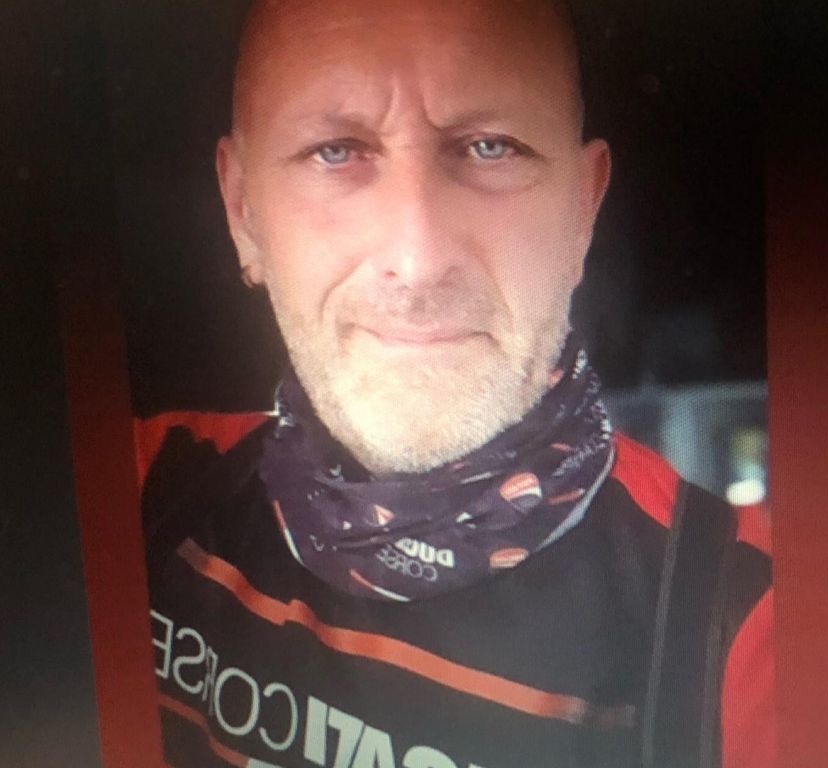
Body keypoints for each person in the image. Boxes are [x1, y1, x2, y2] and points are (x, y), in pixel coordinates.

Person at [137, 1, 774, 766]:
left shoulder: (755, 618)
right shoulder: (135, 485)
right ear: (244, 213)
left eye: (490, 148)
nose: (418, 260)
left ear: (582, 210)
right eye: (335, 151)